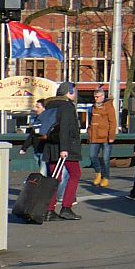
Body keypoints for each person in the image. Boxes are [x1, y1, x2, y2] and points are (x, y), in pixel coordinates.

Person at [43, 82, 83, 221]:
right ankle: (66, 207)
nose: (76, 94)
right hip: (66, 147)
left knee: (55, 178)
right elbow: (65, 127)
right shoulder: (67, 106)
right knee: (75, 174)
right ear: (69, 92)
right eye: (74, 91)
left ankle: (49, 210)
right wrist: (65, 148)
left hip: (50, 146)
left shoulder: (50, 105)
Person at [87, 86, 118, 189]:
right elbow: (90, 121)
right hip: (94, 135)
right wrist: (89, 132)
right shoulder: (92, 107)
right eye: (95, 97)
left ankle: (105, 177)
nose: (95, 98)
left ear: (102, 96)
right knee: (92, 156)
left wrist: (111, 136)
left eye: (97, 97)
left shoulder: (109, 107)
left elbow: (113, 122)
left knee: (105, 158)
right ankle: (98, 172)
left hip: (106, 136)